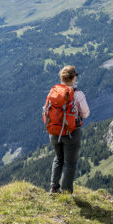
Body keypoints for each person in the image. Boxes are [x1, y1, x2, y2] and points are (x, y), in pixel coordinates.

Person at [48, 65, 90, 194]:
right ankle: (66, 193)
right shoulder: (77, 94)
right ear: (73, 78)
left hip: (54, 131)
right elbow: (86, 113)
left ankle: (54, 188)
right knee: (69, 163)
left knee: (58, 158)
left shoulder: (54, 92)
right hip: (71, 132)